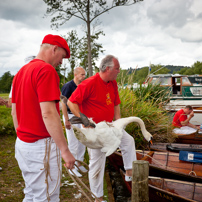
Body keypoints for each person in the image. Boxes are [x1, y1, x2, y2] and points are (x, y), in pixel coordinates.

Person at [11, 34, 75, 202]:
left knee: (32, 194)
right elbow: (48, 113)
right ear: (54, 49)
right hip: (41, 147)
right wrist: (65, 150)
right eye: (62, 57)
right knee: (47, 197)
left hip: (23, 145)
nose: (61, 63)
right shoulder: (46, 70)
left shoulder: (20, 73)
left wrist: (22, 137)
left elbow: (14, 112)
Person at [67, 55, 137, 202]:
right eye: (117, 68)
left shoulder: (113, 83)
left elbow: (116, 103)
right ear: (107, 69)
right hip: (94, 129)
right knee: (97, 164)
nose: (119, 71)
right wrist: (83, 118)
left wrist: (119, 121)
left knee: (128, 140)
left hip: (109, 125)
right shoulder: (88, 83)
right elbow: (71, 102)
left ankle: (129, 172)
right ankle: (97, 197)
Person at [61, 66, 87, 177]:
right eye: (82, 74)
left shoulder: (83, 86)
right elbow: (63, 103)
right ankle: (72, 168)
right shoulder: (68, 86)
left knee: (82, 141)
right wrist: (66, 119)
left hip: (80, 116)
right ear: (75, 75)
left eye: (84, 74)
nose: (84, 77)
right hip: (70, 116)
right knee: (73, 142)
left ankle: (79, 163)